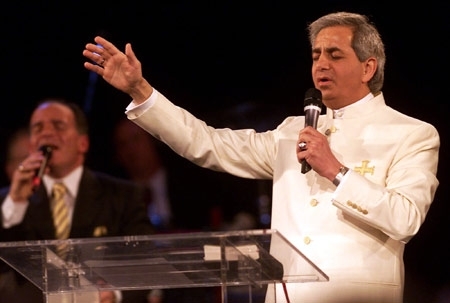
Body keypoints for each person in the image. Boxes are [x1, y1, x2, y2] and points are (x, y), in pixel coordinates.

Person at [82, 11, 440, 303]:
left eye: (334, 55)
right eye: (315, 54)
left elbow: (405, 219)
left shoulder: (411, 133)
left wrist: (337, 172)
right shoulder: (291, 130)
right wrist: (140, 90)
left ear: (368, 68)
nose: (320, 64)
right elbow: (206, 143)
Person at [0, 99, 154, 303]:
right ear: (31, 146)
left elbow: (146, 264)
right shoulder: (8, 201)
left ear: (83, 143)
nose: (46, 133)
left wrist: (114, 294)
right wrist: (17, 201)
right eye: (38, 128)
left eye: (58, 125)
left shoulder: (123, 195)